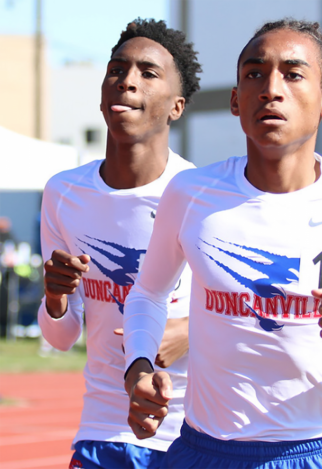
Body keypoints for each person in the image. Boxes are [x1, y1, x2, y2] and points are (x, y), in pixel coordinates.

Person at [123, 19, 322, 469]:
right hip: (202, 452)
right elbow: (147, 293)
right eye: (254, 73)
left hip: (311, 453)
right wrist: (139, 364)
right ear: (236, 101)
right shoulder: (190, 193)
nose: (271, 89)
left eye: (293, 74)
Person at [38, 18, 201, 469]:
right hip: (103, 431)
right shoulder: (64, 193)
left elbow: (250, 311)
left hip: (193, 436)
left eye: (148, 73)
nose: (127, 82)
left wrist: (188, 331)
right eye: (117, 69)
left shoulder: (200, 195)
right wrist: (54, 297)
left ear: (176, 106)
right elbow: (62, 336)